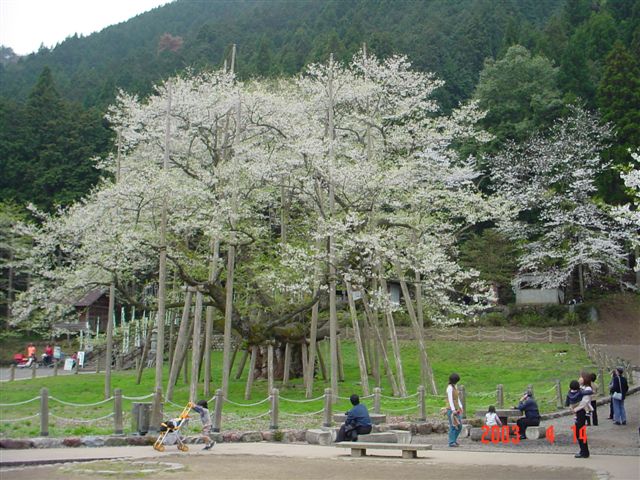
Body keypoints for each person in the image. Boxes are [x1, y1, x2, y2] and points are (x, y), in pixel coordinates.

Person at [571, 372, 593, 458]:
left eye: (581, 377)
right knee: (578, 432)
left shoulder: (587, 389)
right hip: (578, 411)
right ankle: (583, 450)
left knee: (580, 432)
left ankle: (584, 452)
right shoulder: (581, 388)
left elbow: (584, 402)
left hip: (582, 411)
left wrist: (575, 409)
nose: (579, 379)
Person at [446, 373, 463, 447]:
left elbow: (457, 398)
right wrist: (453, 410)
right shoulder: (449, 388)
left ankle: (454, 440)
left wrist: (460, 406)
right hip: (451, 409)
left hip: (457, 408)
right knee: (453, 426)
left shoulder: (455, 387)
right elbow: (450, 399)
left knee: (459, 426)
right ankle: (451, 442)